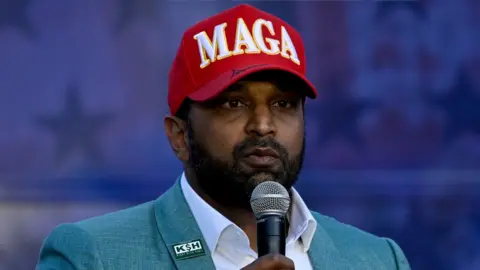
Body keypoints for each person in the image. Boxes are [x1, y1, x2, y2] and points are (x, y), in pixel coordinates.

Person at [35, 4, 410, 270]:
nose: (263, 125)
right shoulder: (92, 256)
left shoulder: (378, 258)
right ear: (179, 135)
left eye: (283, 103)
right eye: (233, 104)